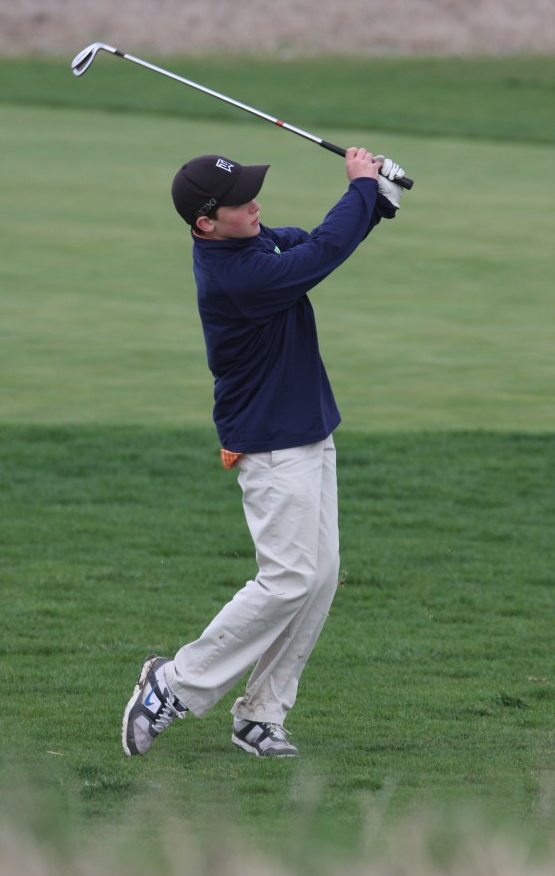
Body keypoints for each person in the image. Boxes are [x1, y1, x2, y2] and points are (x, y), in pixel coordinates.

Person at [122, 147, 406, 758]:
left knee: (319, 576)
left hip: (305, 427)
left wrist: (372, 203)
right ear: (205, 223)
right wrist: (360, 190)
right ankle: (172, 683)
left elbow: (310, 242)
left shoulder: (251, 244)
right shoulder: (237, 276)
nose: (255, 204)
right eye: (239, 201)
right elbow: (317, 256)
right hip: (270, 442)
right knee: (289, 578)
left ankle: (261, 714)